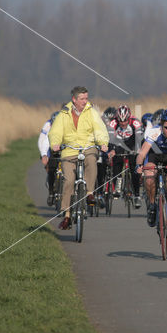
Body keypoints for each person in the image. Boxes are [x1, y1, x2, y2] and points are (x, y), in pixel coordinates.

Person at [49, 86, 109, 230]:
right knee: (69, 180)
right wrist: (55, 143)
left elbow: (99, 129)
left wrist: (102, 143)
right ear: (74, 99)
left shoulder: (91, 112)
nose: (85, 101)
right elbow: (56, 131)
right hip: (69, 150)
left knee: (91, 160)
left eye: (86, 98)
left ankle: (89, 193)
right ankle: (67, 215)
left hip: (88, 146)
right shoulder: (64, 113)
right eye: (82, 99)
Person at [135, 108, 167, 244]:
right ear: (162, 125)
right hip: (154, 155)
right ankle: (152, 205)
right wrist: (139, 165)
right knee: (150, 178)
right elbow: (142, 154)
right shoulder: (154, 132)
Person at [107, 104, 143, 208]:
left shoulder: (136, 122)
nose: (123, 123)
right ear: (117, 119)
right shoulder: (113, 123)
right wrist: (112, 150)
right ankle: (117, 185)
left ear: (129, 118)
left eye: (125, 121)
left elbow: (139, 138)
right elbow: (110, 139)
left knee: (134, 169)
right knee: (116, 160)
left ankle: (137, 195)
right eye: (120, 121)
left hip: (132, 143)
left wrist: (137, 149)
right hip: (118, 143)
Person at [37, 110, 61, 206]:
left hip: (65, 151)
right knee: (51, 170)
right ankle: (51, 192)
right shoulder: (49, 128)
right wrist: (44, 155)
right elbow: (44, 141)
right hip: (53, 151)